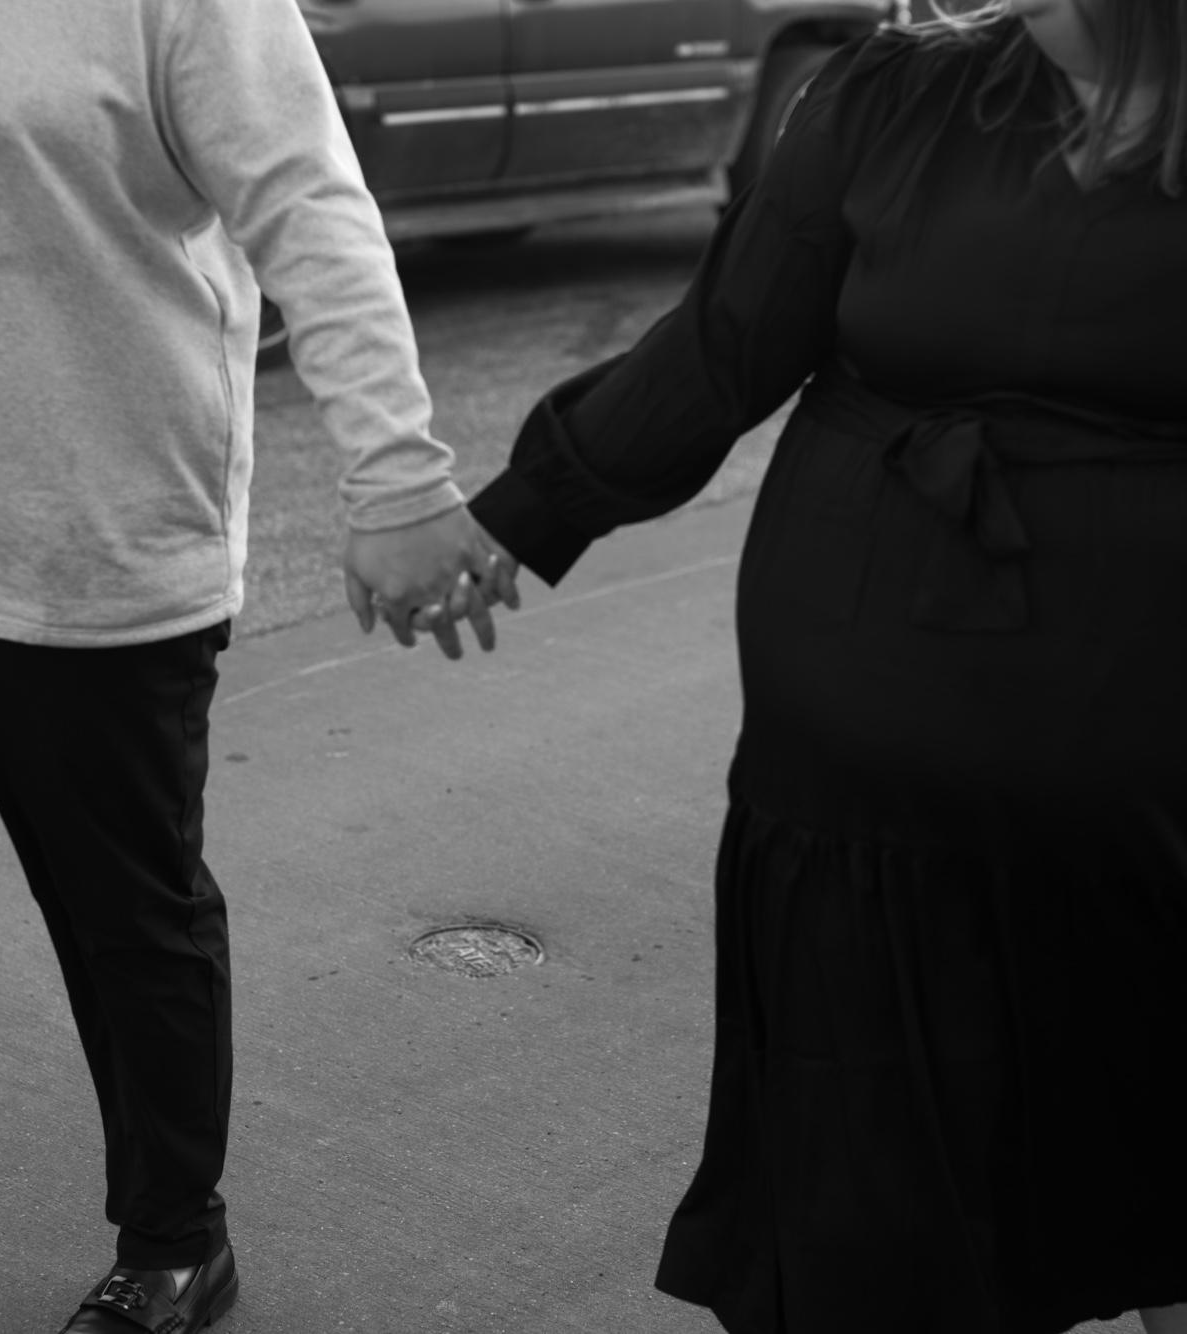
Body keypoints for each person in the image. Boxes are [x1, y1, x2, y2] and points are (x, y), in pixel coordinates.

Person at [467, 1, 1187, 1330]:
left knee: (1151, 1143)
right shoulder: (895, 95)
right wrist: (521, 511)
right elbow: (723, 344)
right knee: (875, 1203)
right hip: (856, 802)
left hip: (1136, 799)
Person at [0, 1, 512, 1331]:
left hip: (94, 557)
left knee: (127, 927)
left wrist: (396, 478)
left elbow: (314, 213)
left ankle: (173, 1242)